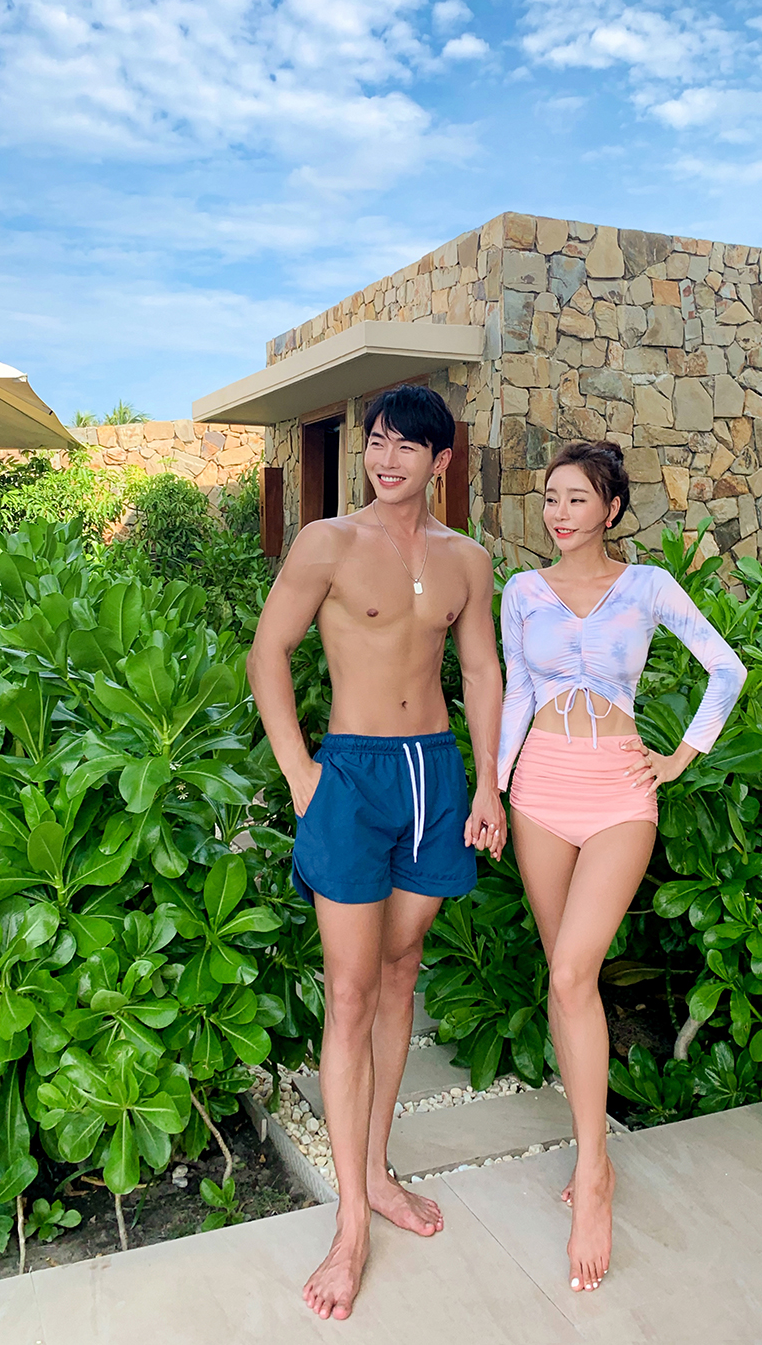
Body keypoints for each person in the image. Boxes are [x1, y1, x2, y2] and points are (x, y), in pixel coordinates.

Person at [247, 385, 506, 1321]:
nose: (385, 459)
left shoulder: (466, 559)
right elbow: (268, 652)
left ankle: (378, 1169)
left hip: (434, 773)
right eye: (376, 442)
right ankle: (351, 1222)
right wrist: (300, 772)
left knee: (401, 973)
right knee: (351, 990)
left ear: (441, 460)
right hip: (350, 774)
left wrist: (489, 783)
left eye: (406, 446)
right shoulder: (327, 542)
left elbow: (480, 669)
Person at [497, 440, 746, 1296]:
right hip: (538, 790)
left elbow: (727, 667)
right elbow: (517, 694)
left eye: (576, 498)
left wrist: (680, 756)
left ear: (610, 508)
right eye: (550, 497)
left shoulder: (647, 586)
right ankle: (589, 1149)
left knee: (574, 970)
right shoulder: (521, 591)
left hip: (618, 792)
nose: (559, 513)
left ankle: (594, 1173)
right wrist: (496, 786)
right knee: (565, 980)